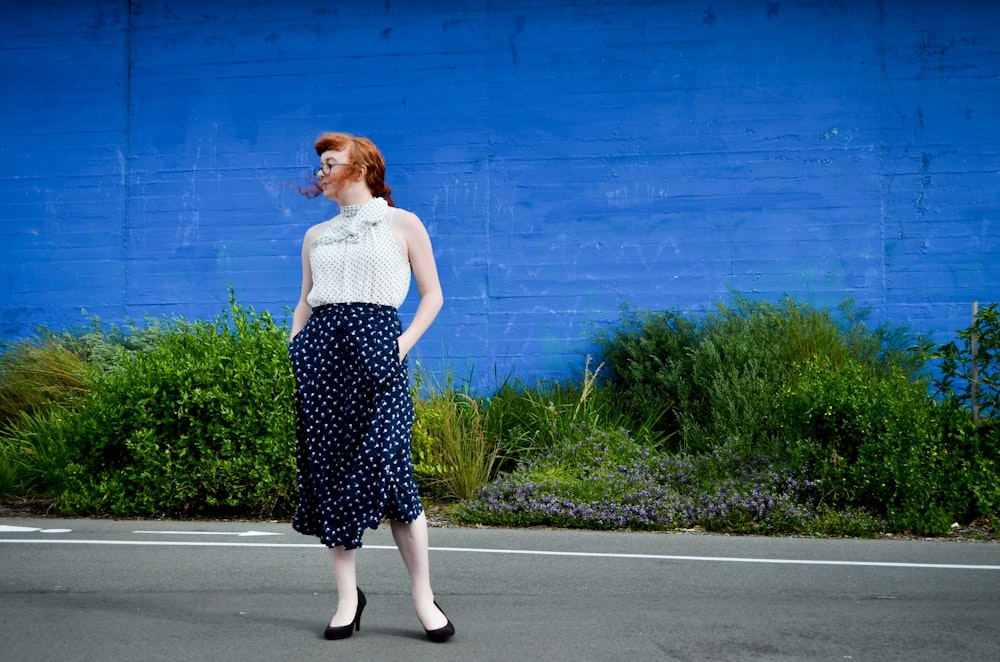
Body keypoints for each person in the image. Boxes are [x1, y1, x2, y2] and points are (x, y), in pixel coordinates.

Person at [288, 132, 453, 642]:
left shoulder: (402, 224)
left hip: (380, 358)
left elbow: (433, 296)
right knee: (332, 474)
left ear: (358, 166)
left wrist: (399, 348)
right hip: (322, 364)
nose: (320, 173)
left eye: (329, 163)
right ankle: (346, 599)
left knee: (392, 469)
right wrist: (298, 351)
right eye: (318, 165)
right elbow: (305, 303)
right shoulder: (317, 235)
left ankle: (423, 597)